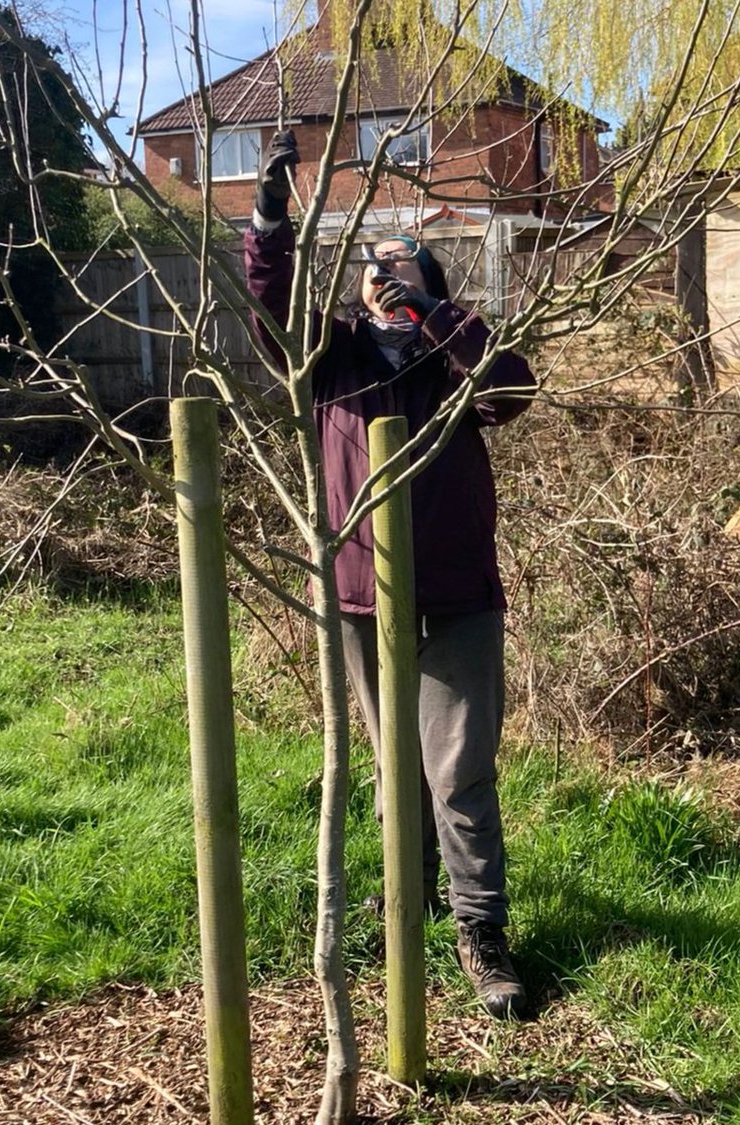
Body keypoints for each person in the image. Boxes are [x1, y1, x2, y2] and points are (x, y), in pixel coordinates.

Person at [245, 130, 537, 1019]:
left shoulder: (460, 364)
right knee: (392, 762)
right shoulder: (330, 363)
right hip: (360, 597)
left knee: (459, 770)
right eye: (374, 267)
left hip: (455, 596)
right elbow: (271, 312)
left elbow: (512, 390)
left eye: (405, 265)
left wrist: (438, 314)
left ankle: (480, 931)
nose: (386, 274)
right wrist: (269, 220)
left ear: (433, 286)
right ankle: (406, 898)